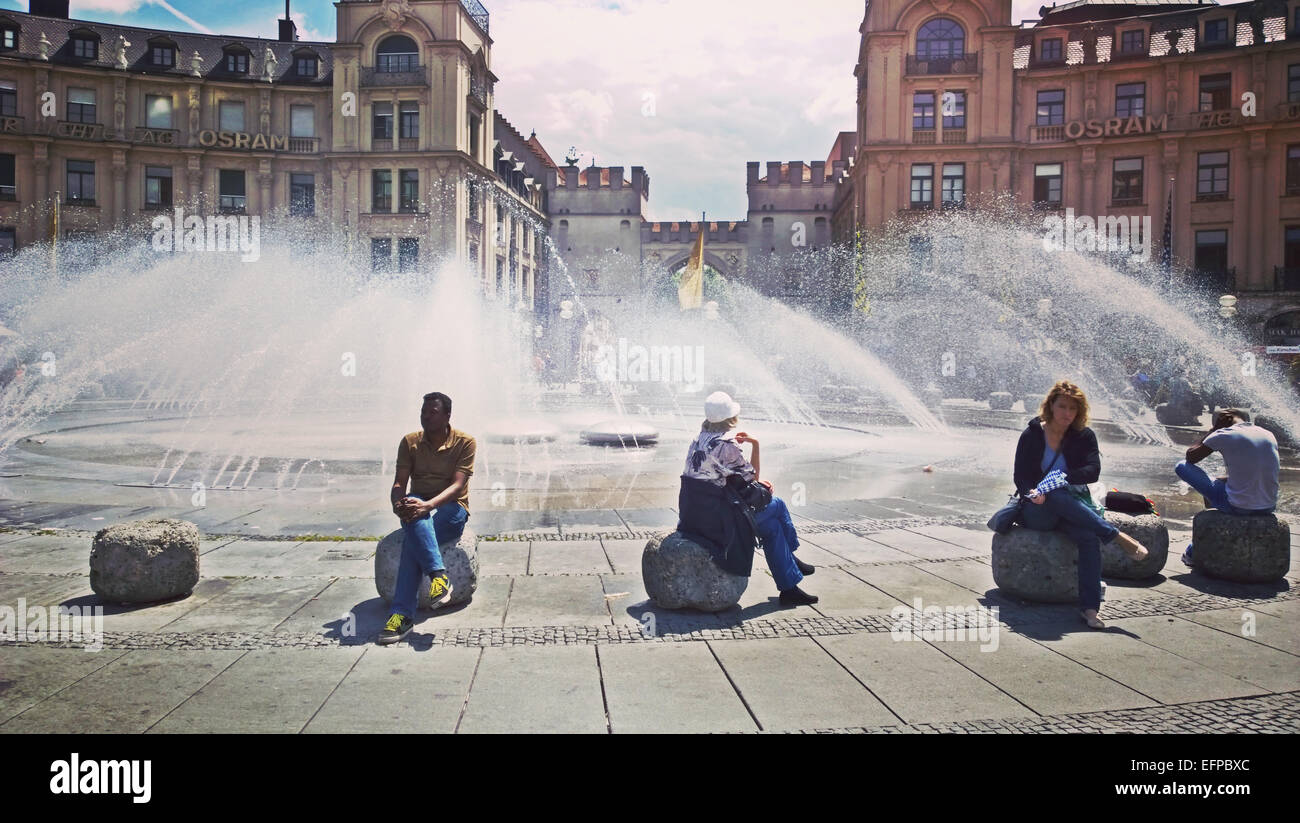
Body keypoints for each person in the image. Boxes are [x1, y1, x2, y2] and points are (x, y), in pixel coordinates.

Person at [1014, 380, 1149, 629]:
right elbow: (1020, 476)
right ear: (1051, 405)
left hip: (1069, 507)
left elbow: (1092, 471)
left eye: (1073, 409)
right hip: (1037, 509)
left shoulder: (1084, 436)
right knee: (1053, 494)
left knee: (1087, 537)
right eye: (1062, 406)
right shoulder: (1033, 433)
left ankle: (1090, 609)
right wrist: (1032, 492)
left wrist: (1063, 478)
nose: (1067, 413)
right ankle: (1116, 535)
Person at [677, 391, 818, 607]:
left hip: (694, 517)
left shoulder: (698, 439)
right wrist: (756, 445)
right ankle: (790, 564)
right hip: (718, 524)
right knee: (777, 504)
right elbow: (754, 480)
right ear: (731, 418)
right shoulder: (727, 446)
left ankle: (790, 586)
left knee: (771, 527)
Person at [377, 392, 477, 645]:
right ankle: (438, 577)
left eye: (432, 412)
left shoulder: (465, 442)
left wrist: (428, 506)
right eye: (423, 412)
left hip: (452, 508)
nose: (426, 417)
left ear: (447, 416)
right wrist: (398, 503)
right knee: (415, 512)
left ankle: (401, 615)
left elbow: (458, 485)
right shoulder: (410, 442)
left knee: (414, 542)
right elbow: (400, 482)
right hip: (419, 502)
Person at [1174, 408, 1279, 567]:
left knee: (1181, 466)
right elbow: (1257, 471)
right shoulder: (1267, 434)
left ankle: (1194, 551)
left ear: (1223, 421)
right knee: (1218, 484)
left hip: (1239, 506)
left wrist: (1213, 430)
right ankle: (1208, 533)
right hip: (1268, 506)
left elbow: (1191, 456)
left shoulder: (1224, 433)